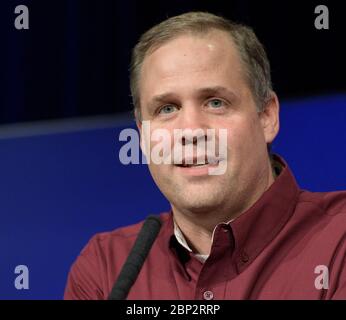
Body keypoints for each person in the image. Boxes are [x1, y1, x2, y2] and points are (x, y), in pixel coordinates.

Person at [64, 11, 346, 300]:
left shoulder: (339, 241)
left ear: (267, 116)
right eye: (167, 109)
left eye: (215, 102)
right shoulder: (105, 269)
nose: (191, 130)